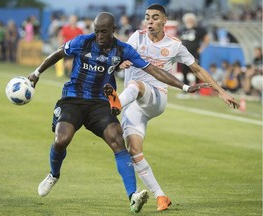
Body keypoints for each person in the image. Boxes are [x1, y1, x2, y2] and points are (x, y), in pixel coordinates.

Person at [28, 11, 208, 213]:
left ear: (113, 30)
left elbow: (154, 70)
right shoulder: (82, 42)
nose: (99, 36)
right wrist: (36, 74)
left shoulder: (123, 49)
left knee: (117, 140)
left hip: (100, 104)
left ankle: (133, 197)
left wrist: (184, 87)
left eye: (104, 32)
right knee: (61, 139)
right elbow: (58, 54)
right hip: (74, 99)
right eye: (96, 31)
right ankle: (54, 174)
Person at [103, 4, 239, 212]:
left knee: (135, 85)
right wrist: (121, 63)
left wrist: (221, 91)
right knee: (134, 151)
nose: (150, 21)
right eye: (147, 17)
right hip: (134, 106)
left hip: (155, 98)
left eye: (155, 17)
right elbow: (117, 56)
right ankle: (161, 197)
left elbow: (197, 68)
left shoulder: (174, 45)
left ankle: (115, 105)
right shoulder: (136, 38)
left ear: (165, 21)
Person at [178, 12, 210, 85]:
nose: (189, 22)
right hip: (184, 53)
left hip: (194, 53)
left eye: (190, 20)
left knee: (196, 70)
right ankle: (186, 87)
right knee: (184, 70)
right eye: (188, 20)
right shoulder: (183, 29)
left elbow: (207, 39)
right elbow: (178, 39)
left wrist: (202, 48)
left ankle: (197, 87)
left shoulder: (199, 29)